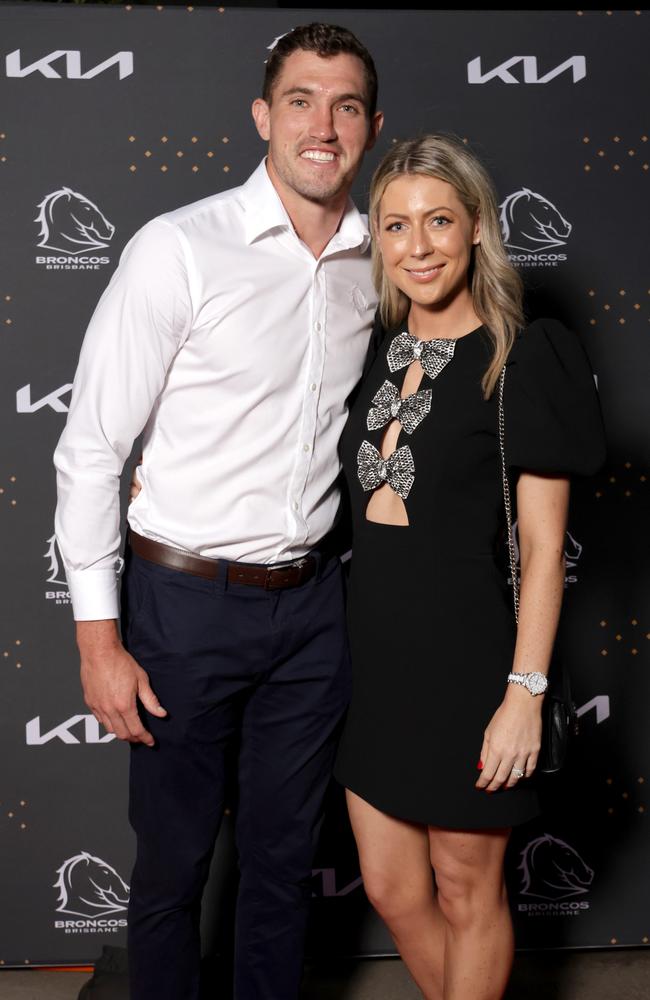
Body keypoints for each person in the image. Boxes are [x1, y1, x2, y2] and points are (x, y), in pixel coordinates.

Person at [53, 23, 383, 1000]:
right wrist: (97, 642)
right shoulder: (178, 249)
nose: (322, 125)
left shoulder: (383, 257)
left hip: (313, 612)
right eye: (299, 100)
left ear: (369, 125)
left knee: (281, 868)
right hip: (181, 607)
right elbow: (90, 451)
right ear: (261, 117)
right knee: (171, 872)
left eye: (346, 104)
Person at [334, 134, 606, 1000]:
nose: (418, 247)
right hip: (371, 668)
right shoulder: (371, 353)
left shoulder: (522, 356)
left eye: (439, 221)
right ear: (375, 238)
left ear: (478, 226)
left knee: (465, 890)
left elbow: (540, 550)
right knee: (391, 888)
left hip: (469, 670)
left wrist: (522, 694)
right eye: (396, 225)